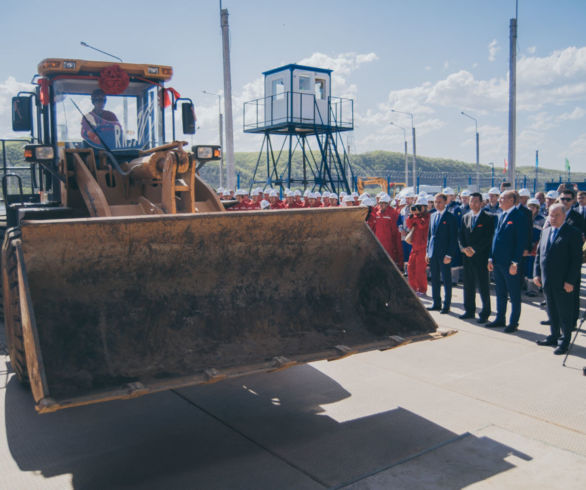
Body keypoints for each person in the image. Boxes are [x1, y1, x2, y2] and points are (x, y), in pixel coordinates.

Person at [534, 204, 583, 355]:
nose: (553, 218)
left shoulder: (573, 233)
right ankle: (553, 336)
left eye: (556, 215)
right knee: (551, 310)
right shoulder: (546, 231)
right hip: (547, 279)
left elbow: (576, 260)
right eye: (550, 215)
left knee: (564, 313)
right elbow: (539, 255)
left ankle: (564, 341)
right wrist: (536, 274)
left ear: (564, 216)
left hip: (564, 281)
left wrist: (570, 281)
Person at [486, 190, 528, 332]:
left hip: (510, 263)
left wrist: (515, 262)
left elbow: (520, 242)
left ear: (512, 200)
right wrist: (491, 258)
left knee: (514, 294)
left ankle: (513, 322)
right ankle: (500, 318)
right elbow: (494, 239)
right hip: (497, 262)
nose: (499, 201)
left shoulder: (519, 216)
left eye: (502, 198)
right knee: (500, 292)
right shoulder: (500, 216)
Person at [458, 192, 494, 322]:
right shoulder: (465, 217)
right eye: (471, 201)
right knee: (468, 285)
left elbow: (489, 238)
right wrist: (463, 248)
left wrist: (474, 249)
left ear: (482, 203)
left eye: (476, 201)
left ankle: (485, 313)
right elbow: (460, 236)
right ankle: (469, 310)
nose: (473, 204)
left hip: (481, 257)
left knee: (483, 286)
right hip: (467, 257)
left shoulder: (489, 218)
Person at [426, 193, 458, 313]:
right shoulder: (433, 215)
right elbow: (430, 236)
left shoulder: (450, 217)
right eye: (435, 202)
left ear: (445, 202)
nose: (437, 204)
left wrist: (449, 254)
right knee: (434, 279)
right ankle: (436, 303)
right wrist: (427, 252)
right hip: (433, 252)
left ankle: (446, 305)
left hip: (444, 254)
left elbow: (453, 238)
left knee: (446, 280)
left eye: (439, 202)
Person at [406, 197, 430, 295]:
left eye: (420, 207)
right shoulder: (416, 216)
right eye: (417, 206)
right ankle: (413, 288)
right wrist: (412, 215)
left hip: (423, 247)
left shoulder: (428, 216)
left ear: (425, 207)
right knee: (410, 268)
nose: (418, 209)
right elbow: (409, 224)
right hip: (415, 246)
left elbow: (422, 225)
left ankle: (422, 289)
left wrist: (417, 217)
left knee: (420, 270)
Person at [374, 194, 403, 270]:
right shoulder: (377, 213)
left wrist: (392, 240)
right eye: (381, 203)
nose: (382, 205)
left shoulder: (392, 213)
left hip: (388, 241)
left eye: (384, 203)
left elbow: (394, 230)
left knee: (389, 256)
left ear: (388, 204)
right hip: (379, 240)